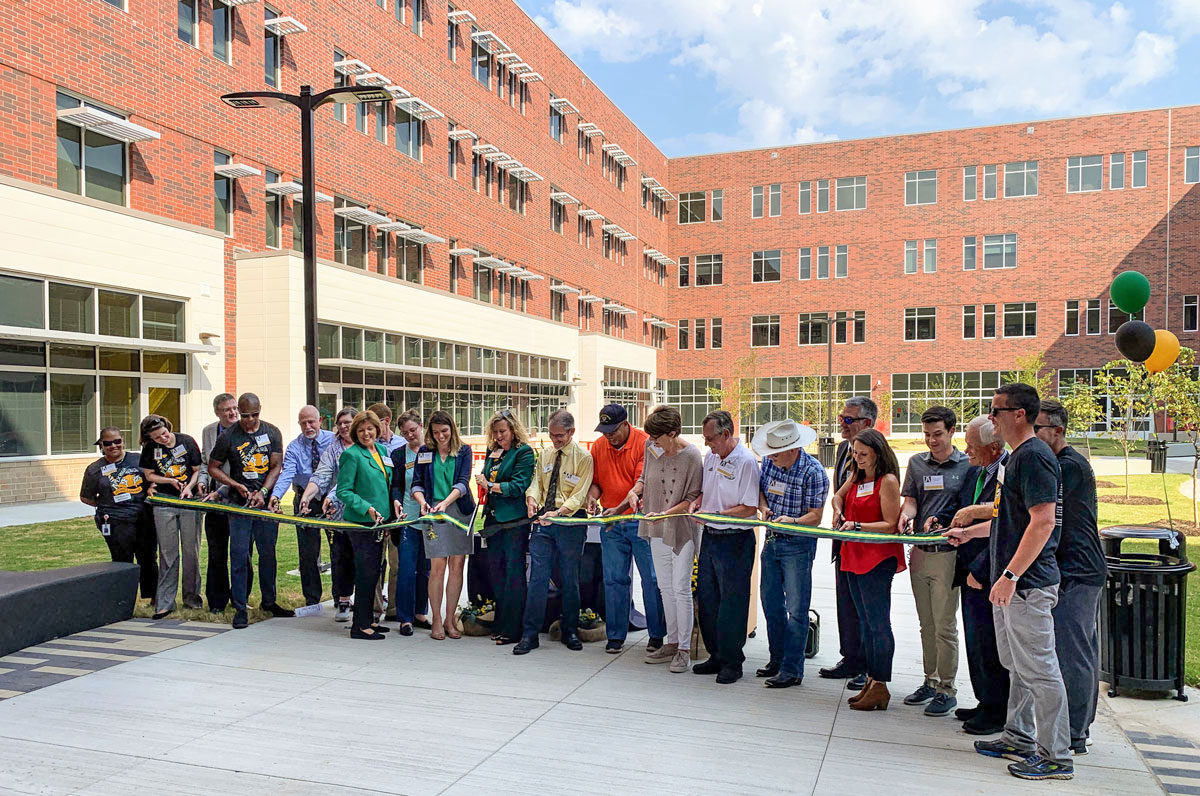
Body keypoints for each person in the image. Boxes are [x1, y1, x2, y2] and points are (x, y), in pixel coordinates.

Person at [972, 383, 1073, 782]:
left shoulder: (1034, 457)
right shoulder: (1016, 458)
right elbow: (1009, 518)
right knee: (1017, 665)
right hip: (1012, 583)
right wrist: (973, 532)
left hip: (1028, 586)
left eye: (996, 410)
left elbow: (1043, 521)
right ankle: (1018, 736)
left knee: (1041, 670)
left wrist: (1011, 576)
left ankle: (1056, 756)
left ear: (1019, 414)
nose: (990, 418)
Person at [1036, 399, 1106, 756]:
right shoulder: (1065, 462)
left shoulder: (1067, 466)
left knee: (1073, 652)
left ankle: (1076, 731)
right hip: (1077, 569)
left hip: (1079, 571)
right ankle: (1078, 725)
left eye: (1038, 429)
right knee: (1079, 650)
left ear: (1057, 430)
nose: (1033, 437)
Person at [938, 415, 1010, 736]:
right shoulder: (974, 473)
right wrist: (938, 520)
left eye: (971, 447)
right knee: (976, 642)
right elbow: (958, 506)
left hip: (989, 572)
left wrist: (980, 570)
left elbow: (1006, 528)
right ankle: (984, 700)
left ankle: (997, 710)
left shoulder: (1009, 474)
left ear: (994, 448)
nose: (966, 451)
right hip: (967, 571)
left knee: (992, 645)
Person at [897, 406, 971, 717]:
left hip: (949, 555)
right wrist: (905, 515)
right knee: (926, 624)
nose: (931, 441)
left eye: (937, 434)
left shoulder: (967, 465)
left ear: (952, 431)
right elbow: (912, 502)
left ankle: (947, 688)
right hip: (921, 553)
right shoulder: (916, 463)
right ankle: (929, 680)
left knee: (944, 625)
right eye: (926, 435)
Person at [830, 428, 904, 711]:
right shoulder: (856, 476)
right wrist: (838, 510)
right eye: (854, 454)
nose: (857, 458)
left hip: (876, 557)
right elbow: (837, 497)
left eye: (863, 454)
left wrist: (857, 526)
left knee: (877, 622)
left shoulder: (887, 481)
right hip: (852, 554)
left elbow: (889, 523)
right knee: (863, 621)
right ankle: (871, 680)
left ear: (877, 452)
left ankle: (881, 683)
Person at [205, 393, 293, 629]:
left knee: (268, 555)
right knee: (240, 556)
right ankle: (240, 607)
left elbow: (276, 466)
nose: (250, 420)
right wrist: (233, 484)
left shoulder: (272, 432)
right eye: (245, 416)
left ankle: (269, 601)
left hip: (264, 503)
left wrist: (263, 492)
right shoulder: (229, 436)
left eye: (254, 415)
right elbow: (213, 467)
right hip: (239, 503)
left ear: (260, 410)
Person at [753, 418, 829, 689]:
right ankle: (777, 658)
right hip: (772, 541)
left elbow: (816, 516)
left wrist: (793, 521)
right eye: (769, 452)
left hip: (798, 544)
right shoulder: (770, 465)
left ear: (794, 449)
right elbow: (760, 491)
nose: (771, 458)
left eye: (776, 453)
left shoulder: (813, 472)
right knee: (771, 603)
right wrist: (764, 508)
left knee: (796, 609)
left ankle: (792, 668)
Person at [588, 403, 666, 655]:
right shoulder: (599, 446)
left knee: (651, 579)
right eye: (604, 431)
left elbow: (639, 487)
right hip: (612, 525)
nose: (608, 436)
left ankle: (656, 634)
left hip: (640, 520)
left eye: (613, 430)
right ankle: (615, 635)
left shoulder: (645, 443)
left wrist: (619, 510)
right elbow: (597, 482)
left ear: (626, 425)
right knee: (614, 580)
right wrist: (592, 496)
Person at [690, 410, 761, 684]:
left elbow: (749, 508)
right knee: (708, 599)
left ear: (726, 434)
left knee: (732, 603)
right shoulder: (711, 458)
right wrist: (698, 503)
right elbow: (707, 492)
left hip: (735, 539)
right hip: (710, 536)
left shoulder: (745, 462)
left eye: (711, 439)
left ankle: (733, 661)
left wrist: (717, 515)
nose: (707, 444)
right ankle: (715, 654)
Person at [515, 409, 594, 655]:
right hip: (543, 523)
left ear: (571, 432)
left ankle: (570, 629)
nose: (555, 440)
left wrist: (559, 514)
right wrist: (531, 499)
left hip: (569, 522)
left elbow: (580, 494)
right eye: (552, 435)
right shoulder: (546, 454)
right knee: (538, 578)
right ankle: (530, 634)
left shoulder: (583, 458)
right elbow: (536, 483)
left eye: (560, 435)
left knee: (570, 578)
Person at [629, 406, 702, 673]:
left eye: (657, 436)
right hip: (655, 526)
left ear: (672, 433)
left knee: (681, 586)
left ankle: (684, 648)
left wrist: (665, 513)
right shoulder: (652, 448)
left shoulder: (692, 456)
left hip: (680, 528)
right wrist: (635, 492)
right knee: (664, 586)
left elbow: (693, 497)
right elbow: (643, 478)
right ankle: (671, 642)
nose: (651, 441)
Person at [401, 409, 475, 640]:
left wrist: (446, 502)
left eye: (444, 431)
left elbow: (463, 483)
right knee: (437, 567)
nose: (441, 436)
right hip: (434, 511)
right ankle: (436, 619)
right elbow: (417, 484)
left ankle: (450, 619)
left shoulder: (464, 451)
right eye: (436, 432)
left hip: (458, 510)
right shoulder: (425, 452)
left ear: (452, 429)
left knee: (457, 565)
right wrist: (423, 503)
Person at [820, 396, 877, 691]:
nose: (841, 424)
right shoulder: (844, 449)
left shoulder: (878, 454)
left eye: (848, 420)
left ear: (867, 423)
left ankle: (868, 665)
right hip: (843, 538)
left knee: (866, 606)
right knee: (845, 601)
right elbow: (840, 489)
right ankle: (850, 657)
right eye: (841, 418)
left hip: (866, 541)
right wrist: (838, 506)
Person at [476, 409, 535, 645]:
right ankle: (500, 623)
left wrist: (491, 485)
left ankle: (513, 629)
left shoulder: (524, 452)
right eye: (495, 432)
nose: (499, 436)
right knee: (497, 574)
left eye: (502, 431)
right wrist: (487, 484)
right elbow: (484, 477)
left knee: (514, 575)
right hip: (493, 521)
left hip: (514, 522)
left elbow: (517, 486)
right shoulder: (494, 451)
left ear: (513, 430)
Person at [336, 409, 395, 640]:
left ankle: (369, 619)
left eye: (369, 428)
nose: (366, 433)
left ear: (377, 429)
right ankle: (359, 626)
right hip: (362, 525)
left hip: (381, 524)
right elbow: (343, 491)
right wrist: (367, 509)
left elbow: (385, 485)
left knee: (375, 573)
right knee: (365, 573)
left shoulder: (381, 450)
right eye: (360, 430)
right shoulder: (351, 455)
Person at [268, 405, 336, 607]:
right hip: (305, 500)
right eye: (303, 423)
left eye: (311, 421)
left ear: (320, 420)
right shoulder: (294, 447)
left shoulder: (333, 440)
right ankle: (312, 599)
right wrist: (276, 496)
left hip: (332, 499)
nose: (308, 426)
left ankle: (341, 597)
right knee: (307, 553)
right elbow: (286, 473)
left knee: (338, 549)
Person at [80, 426, 158, 601]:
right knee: (122, 560)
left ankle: (153, 597)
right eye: (108, 443)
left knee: (148, 558)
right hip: (115, 522)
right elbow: (86, 497)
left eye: (117, 441)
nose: (113, 446)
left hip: (143, 517)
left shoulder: (138, 460)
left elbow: (153, 480)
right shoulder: (94, 469)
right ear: (101, 445)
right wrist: (107, 505)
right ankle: (123, 598)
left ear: (123, 441)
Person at [138, 414, 203, 618]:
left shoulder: (186, 441)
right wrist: (168, 481)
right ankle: (165, 602)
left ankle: (192, 597)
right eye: (158, 438)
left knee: (191, 550)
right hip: (164, 502)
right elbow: (149, 475)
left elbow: (197, 470)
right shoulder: (150, 449)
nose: (163, 439)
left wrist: (189, 488)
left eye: (164, 434)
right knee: (168, 553)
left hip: (189, 501)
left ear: (168, 427)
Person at [298, 406, 358, 622]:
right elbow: (321, 475)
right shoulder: (333, 449)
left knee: (367, 561)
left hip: (366, 515)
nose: (343, 426)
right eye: (340, 423)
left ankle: (370, 603)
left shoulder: (370, 447)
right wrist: (307, 496)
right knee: (341, 558)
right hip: (339, 515)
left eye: (347, 422)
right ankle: (343, 601)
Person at [199, 392, 244, 612]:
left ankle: (240, 600)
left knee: (241, 552)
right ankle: (216, 602)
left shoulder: (244, 431)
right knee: (216, 552)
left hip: (237, 499)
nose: (233, 412)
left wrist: (225, 489)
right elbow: (204, 462)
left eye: (234, 408)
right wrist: (201, 481)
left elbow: (243, 471)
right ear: (217, 412)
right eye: (227, 409)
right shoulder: (209, 431)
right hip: (214, 502)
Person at [389, 409, 434, 632]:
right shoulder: (399, 455)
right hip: (408, 517)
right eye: (405, 433)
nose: (410, 435)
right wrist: (396, 501)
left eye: (413, 430)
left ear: (422, 426)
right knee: (406, 568)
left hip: (431, 518)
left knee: (425, 569)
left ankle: (420, 613)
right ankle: (404, 617)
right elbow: (396, 484)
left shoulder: (434, 450)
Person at [367, 402, 407, 623]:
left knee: (397, 563)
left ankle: (393, 608)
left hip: (397, 510)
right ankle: (374, 608)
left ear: (386, 421)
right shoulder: (368, 446)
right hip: (377, 510)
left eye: (375, 424)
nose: (371, 430)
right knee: (375, 562)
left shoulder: (401, 444)